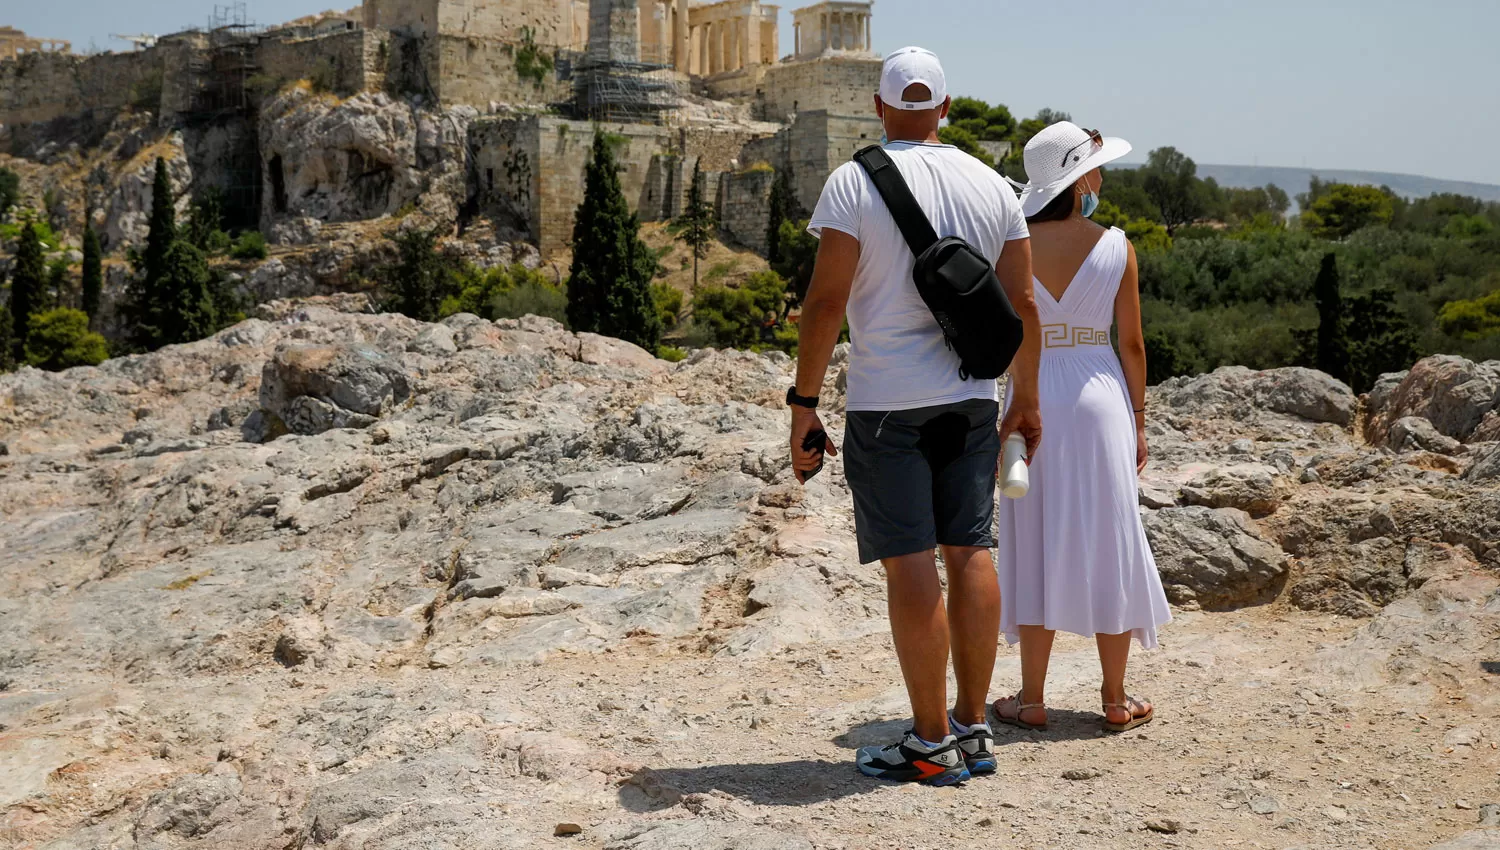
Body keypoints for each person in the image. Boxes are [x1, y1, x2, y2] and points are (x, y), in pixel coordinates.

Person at [788, 46, 1042, 785]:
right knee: (971, 550)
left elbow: (826, 302)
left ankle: (929, 743)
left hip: (886, 402)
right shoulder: (994, 185)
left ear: (878, 105)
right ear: (947, 109)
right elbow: (1023, 303)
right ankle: (971, 728)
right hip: (971, 396)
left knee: (910, 563)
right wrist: (1024, 399)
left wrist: (803, 403)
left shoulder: (852, 181)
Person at [990, 122, 1172, 734]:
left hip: (1032, 388)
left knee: (1034, 535)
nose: (1101, 180)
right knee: (1110, 536)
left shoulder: (1009, 244)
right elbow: (1134, 344)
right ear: (1081, 179)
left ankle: (1033, 698)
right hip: (1100, 395)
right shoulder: (1118, 245)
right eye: (1095, 169)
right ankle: (1116, 698)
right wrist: (1140, 418)